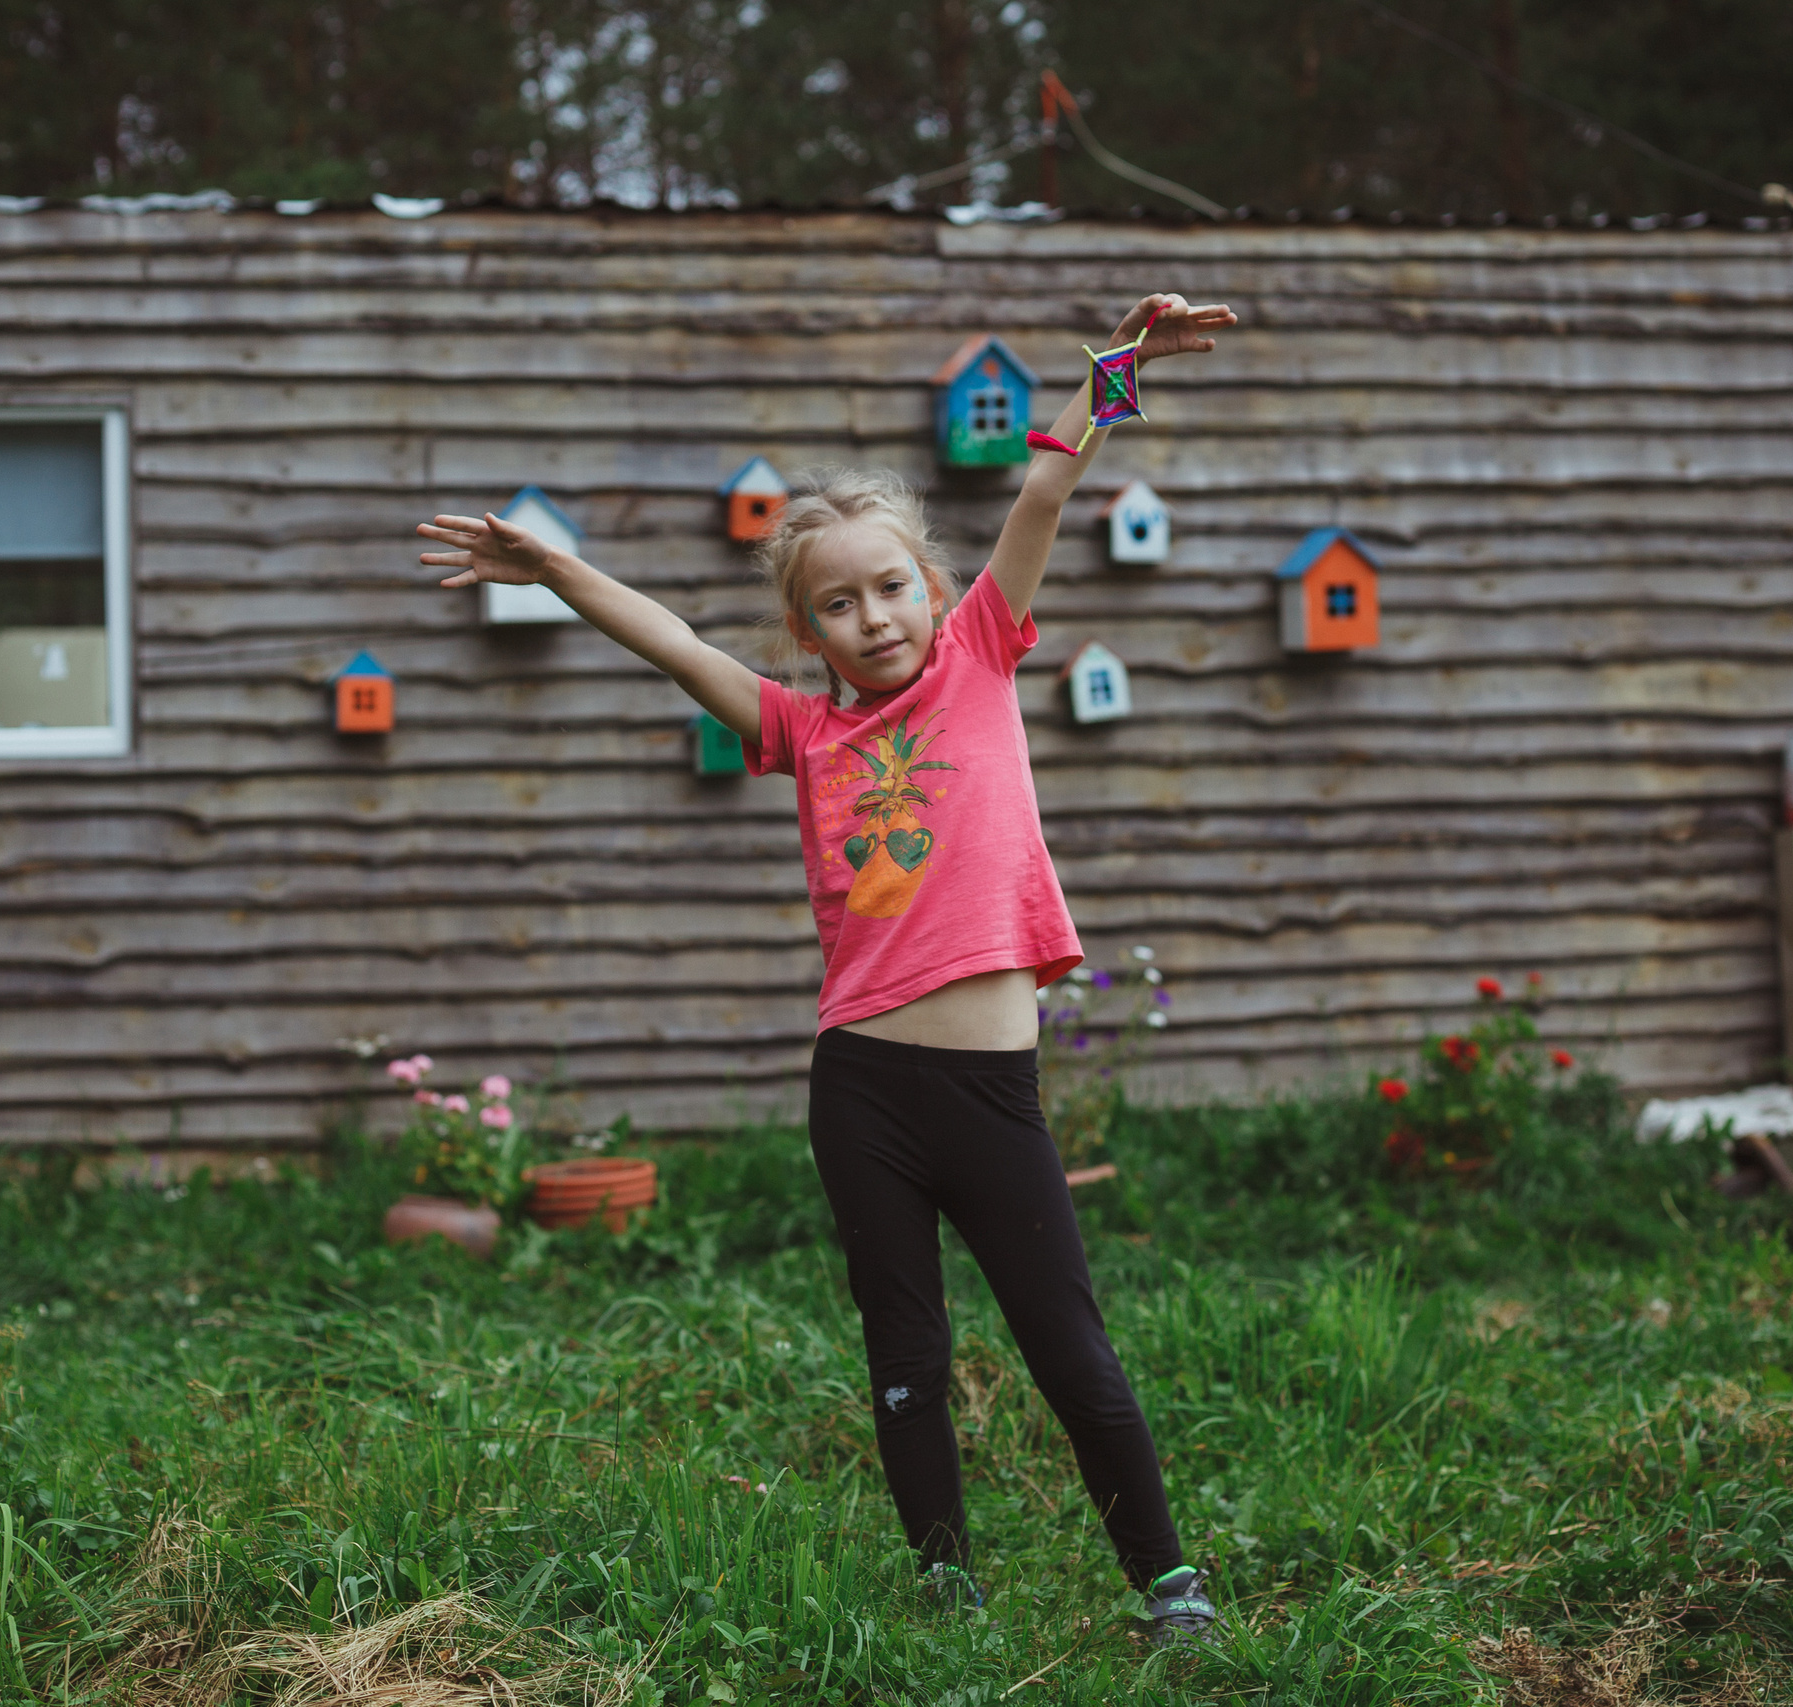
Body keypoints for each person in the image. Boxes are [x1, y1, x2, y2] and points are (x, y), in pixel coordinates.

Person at [416, 292, 1237, 1643]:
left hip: (989, 1095)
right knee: (904, 1349)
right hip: (862, 1092)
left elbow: (1036, 503)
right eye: (838, 605)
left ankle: (1169, 1586)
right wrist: (558, 569)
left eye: (892, 587)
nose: (873, 619)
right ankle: (944, 1588)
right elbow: (678, 642)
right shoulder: (801, 730)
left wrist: (1106, 380)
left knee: (1066, 1344)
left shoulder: (979, 657)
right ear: (809, 634)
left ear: (932, 590)